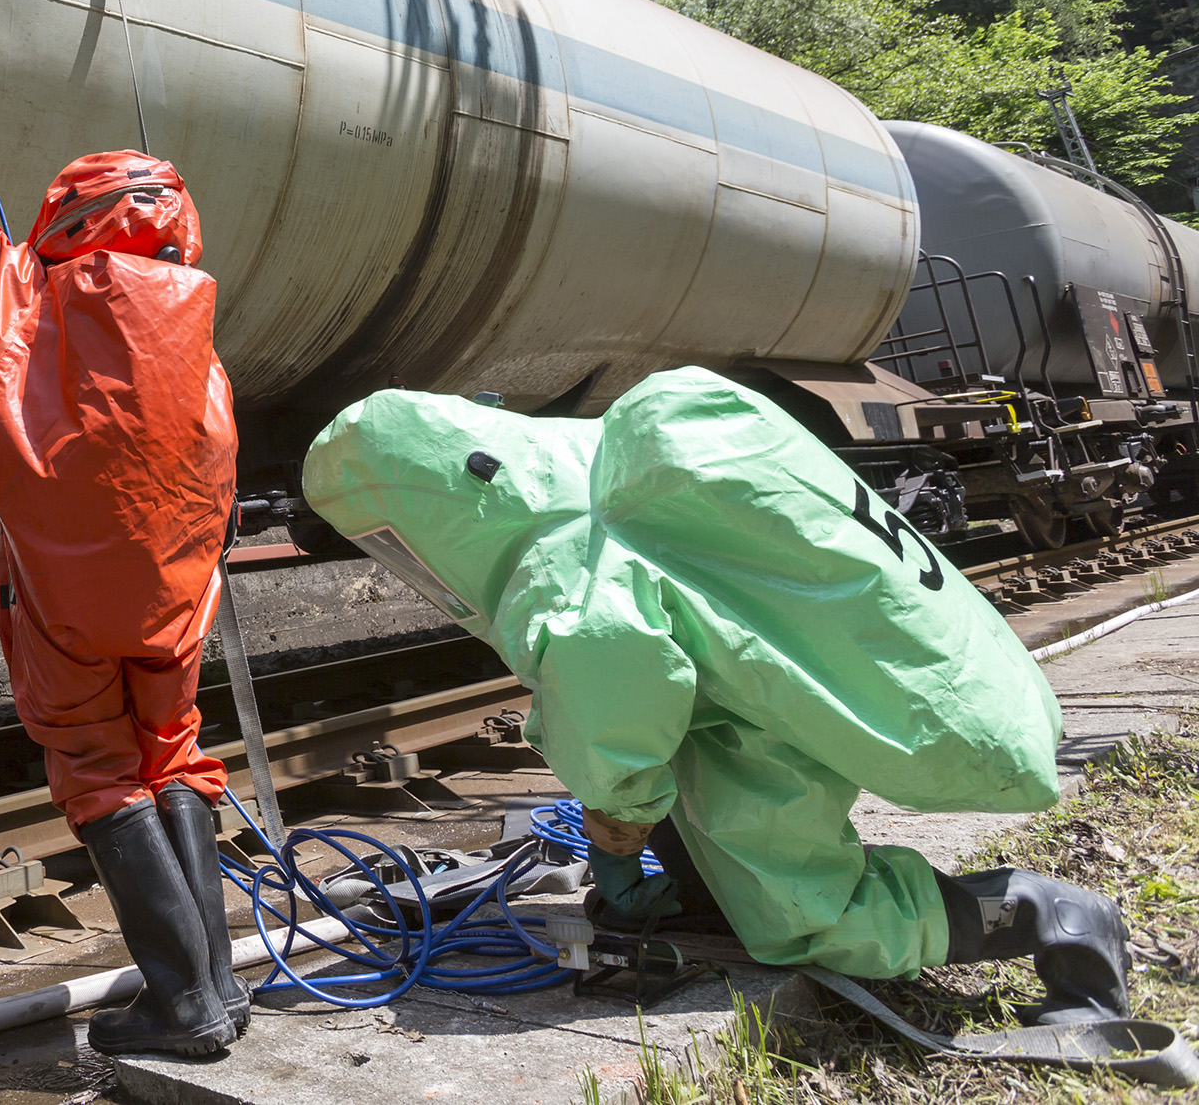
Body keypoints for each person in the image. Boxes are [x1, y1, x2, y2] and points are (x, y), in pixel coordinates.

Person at [301, 367, 1129, 1025]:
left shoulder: (557, 558)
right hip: (752, 698)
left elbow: (614, 689)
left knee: (806, 915)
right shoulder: (567, 469)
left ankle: (1047, 914)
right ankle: (707, 900)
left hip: (765, 723)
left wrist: (616, 826)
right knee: (718, 844)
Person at [0, 109, 244, 1056]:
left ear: (68, 217)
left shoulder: (25, 290)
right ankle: (221, 988)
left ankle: (185, 1008)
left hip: (70, 602)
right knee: (172, 753)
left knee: (99, 770)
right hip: (175, 591)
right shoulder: (186, 299)